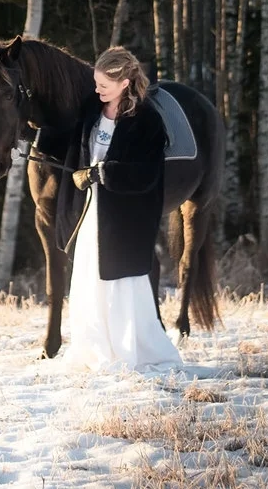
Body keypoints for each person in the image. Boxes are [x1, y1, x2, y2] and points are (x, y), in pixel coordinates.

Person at [54, 46, 182, 373]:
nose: (97, 91)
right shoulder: (91, 110)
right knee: (88, 281)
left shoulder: (146, 120)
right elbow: (76, 148)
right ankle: (95, 350)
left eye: (104, 86)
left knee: (119, 285)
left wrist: (104, 173)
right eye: (96, 84)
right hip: (93, 213)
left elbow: (147, 173)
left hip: (126, 220)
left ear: (125, 83)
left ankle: (127, 352)